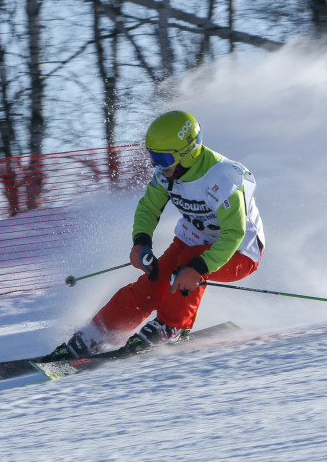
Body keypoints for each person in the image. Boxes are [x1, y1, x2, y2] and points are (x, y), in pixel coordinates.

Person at [51, 110, 264, 358]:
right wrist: (141, 242)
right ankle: (99, 332)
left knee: (184, 267)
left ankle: (173, 327)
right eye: (153, 157)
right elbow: (148, 207)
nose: (156, 165)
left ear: (186, 153)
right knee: (153, 281)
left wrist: (199, 267)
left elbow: (233, 233)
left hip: (238, 254)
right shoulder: (169, 174)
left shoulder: (221, 179)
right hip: (192, 240)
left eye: (162, 158)